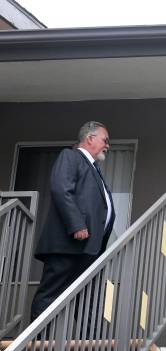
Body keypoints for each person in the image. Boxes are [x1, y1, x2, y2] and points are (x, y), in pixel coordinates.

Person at [30, 121, 115, 322]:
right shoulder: (71, 156)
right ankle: (39, 347)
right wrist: (76, 224)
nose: (107, 145)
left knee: (87, 299)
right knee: (51, 294)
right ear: (90, 138)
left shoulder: (95, 169)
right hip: (68, 244)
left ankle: (87, 346)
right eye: (105, 140)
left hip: (89, 248)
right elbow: (61, 189)